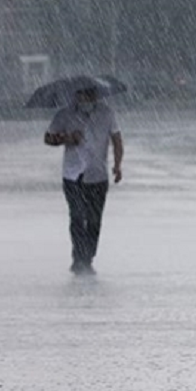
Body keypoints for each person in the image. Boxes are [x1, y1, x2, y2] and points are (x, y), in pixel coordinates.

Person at [44, 87, 123, 275]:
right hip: (72, 174)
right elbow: (48, 138)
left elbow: (117, 140)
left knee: (94, 219)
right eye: (82, 94)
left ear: (96, 95)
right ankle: (79, 258)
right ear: (76, 95)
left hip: (98, 174)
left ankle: (88, 256)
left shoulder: (107, 114)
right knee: (78, 216)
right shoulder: (64, 115)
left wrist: (117, 165)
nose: (86, 99)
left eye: (90, 95)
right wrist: (67, 138)